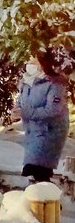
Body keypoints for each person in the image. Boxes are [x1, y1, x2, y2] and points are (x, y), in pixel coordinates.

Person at [19, 49, 70, 183]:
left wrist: (27, 112)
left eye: (34, 61)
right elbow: (23, 104)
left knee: (37, 172)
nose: (30, 64)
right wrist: (18, 110)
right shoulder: (26, 83)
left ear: (43, 63)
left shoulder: (55, 84)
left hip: (49, 133)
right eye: (29, 61)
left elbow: (53, 110)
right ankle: (47, 202)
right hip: (32, 134)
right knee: (33, 175)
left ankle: (51, 202)